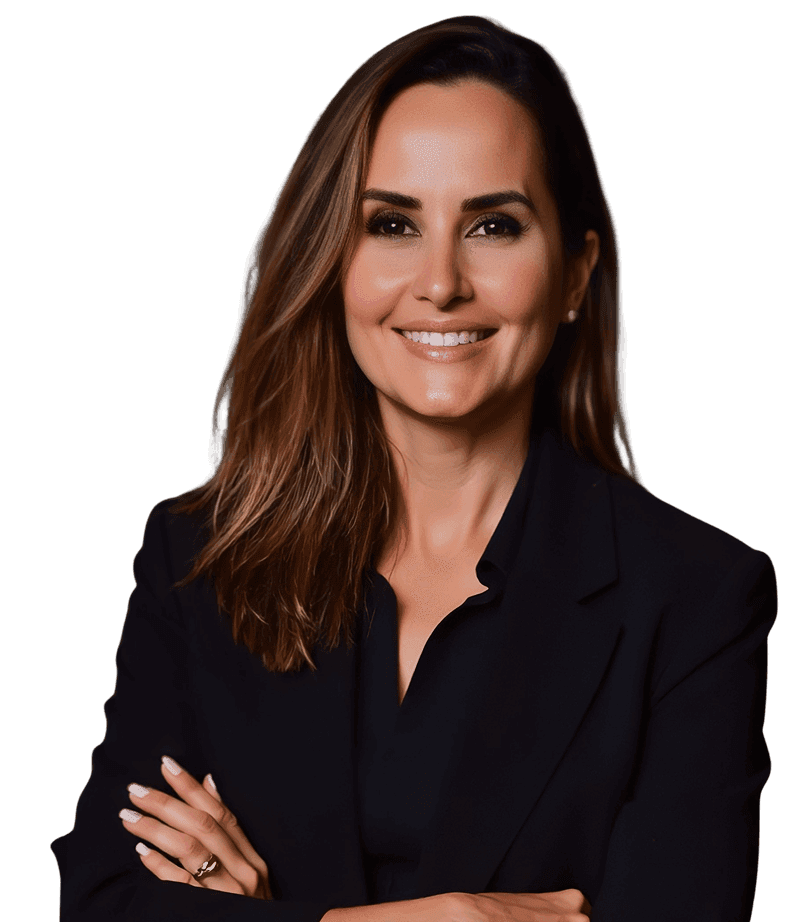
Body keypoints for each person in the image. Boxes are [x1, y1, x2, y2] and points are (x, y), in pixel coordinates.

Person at [50, 14, 777, 922]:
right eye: (391, 224)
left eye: (494, 226)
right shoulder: (198, 559)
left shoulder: (695, 599)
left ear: (573, 274)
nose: (439, 282)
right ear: (332, 262)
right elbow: (103, 902)